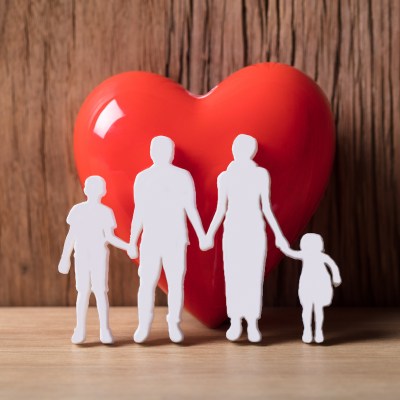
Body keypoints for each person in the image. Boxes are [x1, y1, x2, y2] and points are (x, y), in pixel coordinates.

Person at [204, 134, 288, 342]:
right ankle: (235, 322)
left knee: (252, 276)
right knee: (233, 275)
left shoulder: (260, 175)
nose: (239, 151)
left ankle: (251, 323)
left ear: (251, 152)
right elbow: (220, 210)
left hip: (254, 230)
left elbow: (266, 208)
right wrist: (209, 234)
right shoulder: (225, 177)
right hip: (232, 230)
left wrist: (279, 235)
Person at [128, 136, 206, 343]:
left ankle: (174, 324)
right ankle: (144, 325)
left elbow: (191, 208)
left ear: (171, 153)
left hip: (175, 238)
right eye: (160, 150)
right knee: (146, 283)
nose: (164, 153)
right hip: (151, 238)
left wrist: (202, 235)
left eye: (167, 149)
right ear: (152, 153)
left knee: (174, 283)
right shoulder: (143, 178)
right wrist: (132, 241)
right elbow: (139, 212)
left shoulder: (182, 177)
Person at [58, 175, 129, 344]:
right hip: (82, 255)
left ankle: (104, 330)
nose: (96, 192)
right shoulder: (77, 210)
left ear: (103, 191)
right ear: (86, 190)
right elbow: (71, 236)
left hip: (98, 256)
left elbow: (110, 238)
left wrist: (128, 246)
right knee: (83, 292)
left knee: (100, 292)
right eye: (93, 188)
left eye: (98, 188)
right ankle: (80, 329)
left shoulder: (106, 212)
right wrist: (64, 258)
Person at [280, 233, 342, 343]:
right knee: (307, 309)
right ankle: (307, 331)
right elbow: (290, 253)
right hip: (307, 284)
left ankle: (318, 331)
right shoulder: (304, 254)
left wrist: (336, 277)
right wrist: (283, 246)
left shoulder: (322, 256)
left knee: (318, 309)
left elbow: (333, 266)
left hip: (320, 283)